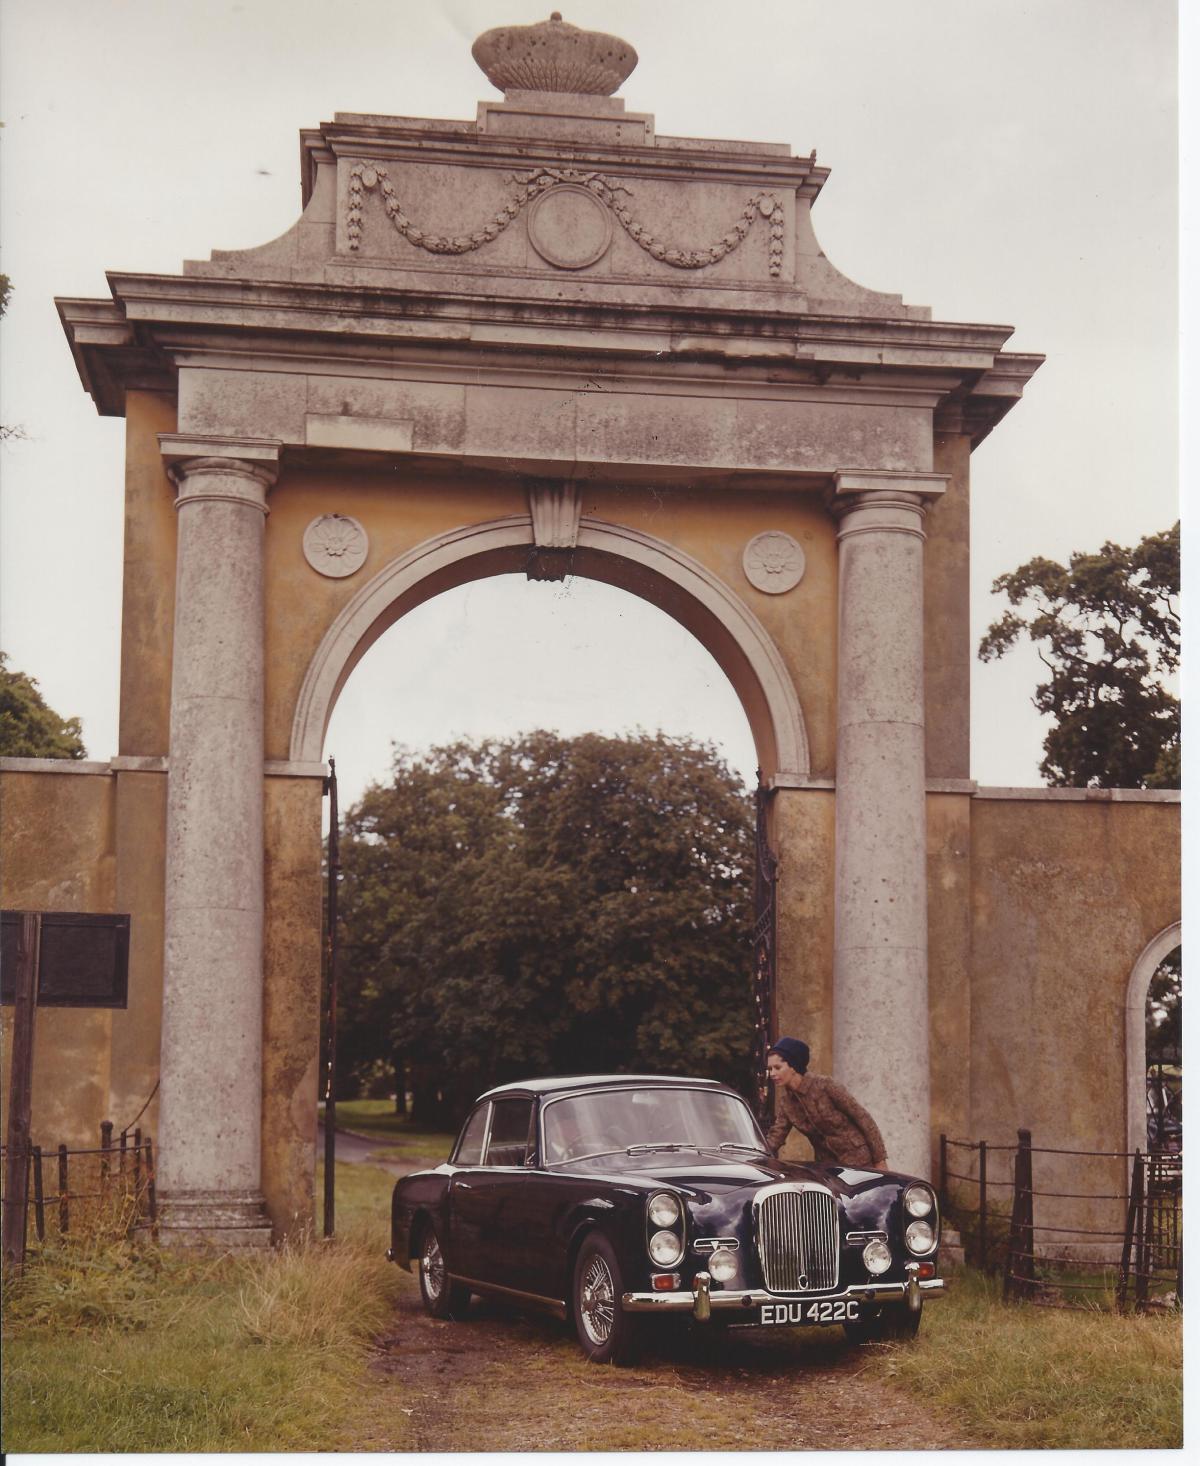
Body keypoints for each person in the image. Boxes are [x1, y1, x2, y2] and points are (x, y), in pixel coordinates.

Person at [764, 1037, 888, 1169]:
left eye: (777, 1068)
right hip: (828, 1169)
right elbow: (775, 1137)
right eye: (770, 1069)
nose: (772, 1074)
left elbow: (863, 1119)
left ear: (793, 1066)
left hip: (860, 1162)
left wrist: (880, 1160)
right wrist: (757, 1157)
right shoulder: (786, 1103)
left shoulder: (825, 1086)